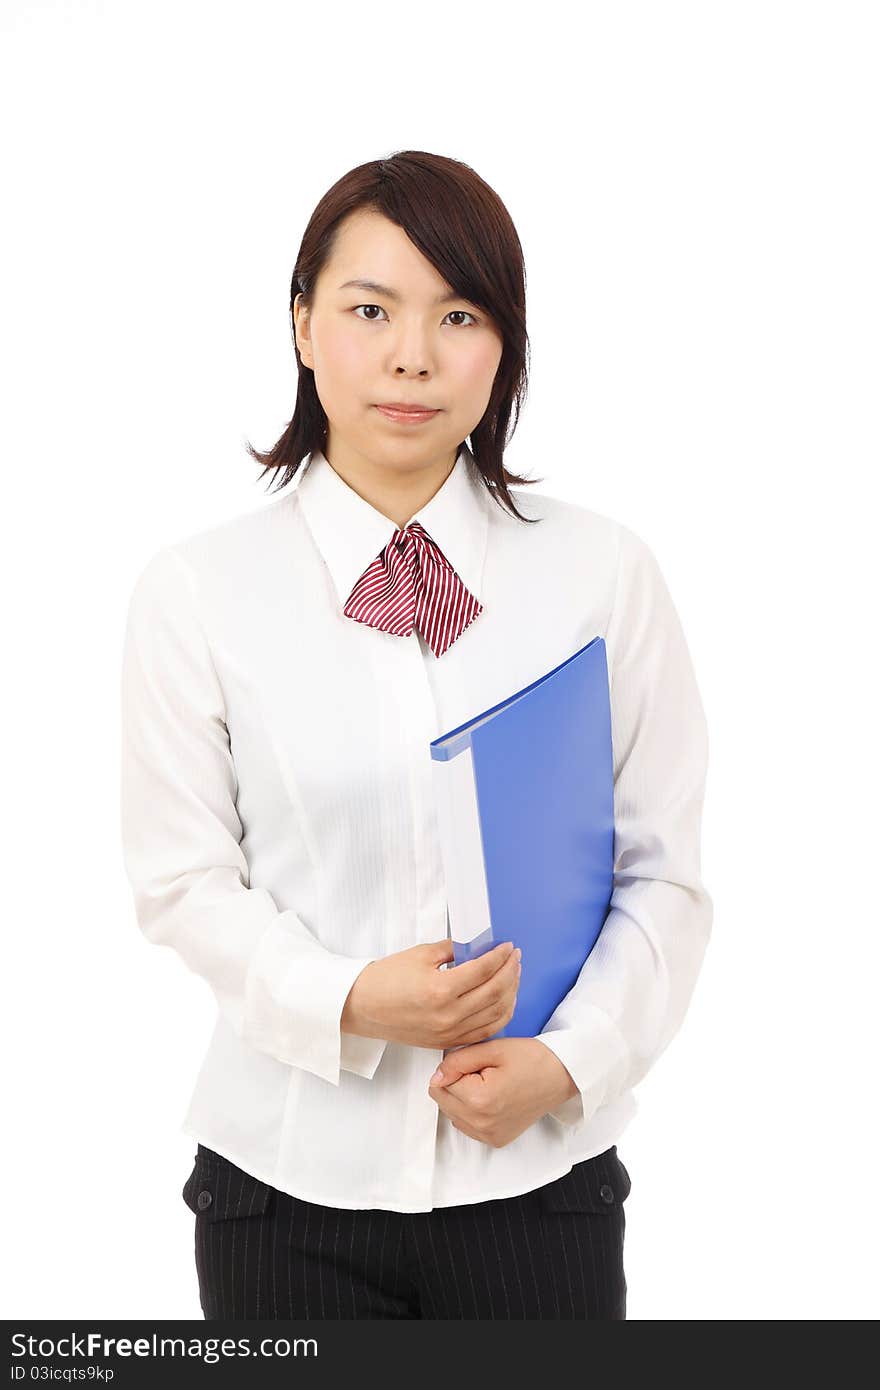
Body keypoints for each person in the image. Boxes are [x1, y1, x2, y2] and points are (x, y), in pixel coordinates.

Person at [119, 149, 712, 1321]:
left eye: (459, 314)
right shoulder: (197, 591)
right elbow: (182, 881)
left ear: (506, 344)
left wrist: (570, 1062)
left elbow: (666, 875)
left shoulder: (601, 573)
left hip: (538, 1184)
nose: (412, 356)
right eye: (369, 309)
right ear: (302, 325)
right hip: (282, 1187)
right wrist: (343, 998)